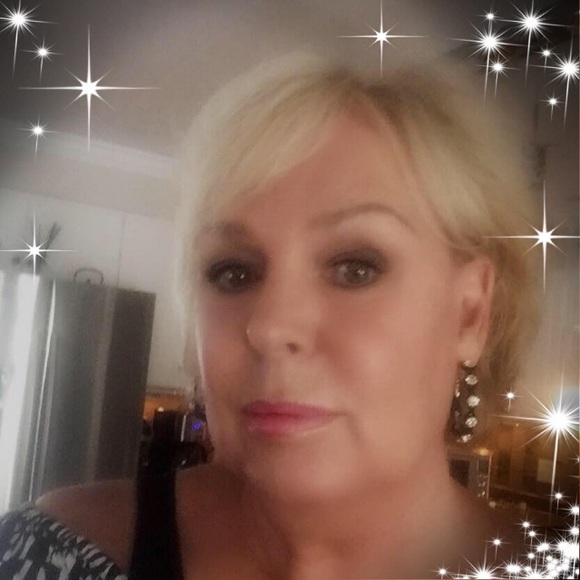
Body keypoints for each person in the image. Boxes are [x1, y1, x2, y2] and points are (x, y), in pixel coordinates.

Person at [0, 55, 540, 579]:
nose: (270, 326)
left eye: (355, 268)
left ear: (471, 312)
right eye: (233, 273)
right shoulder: (45, 555)